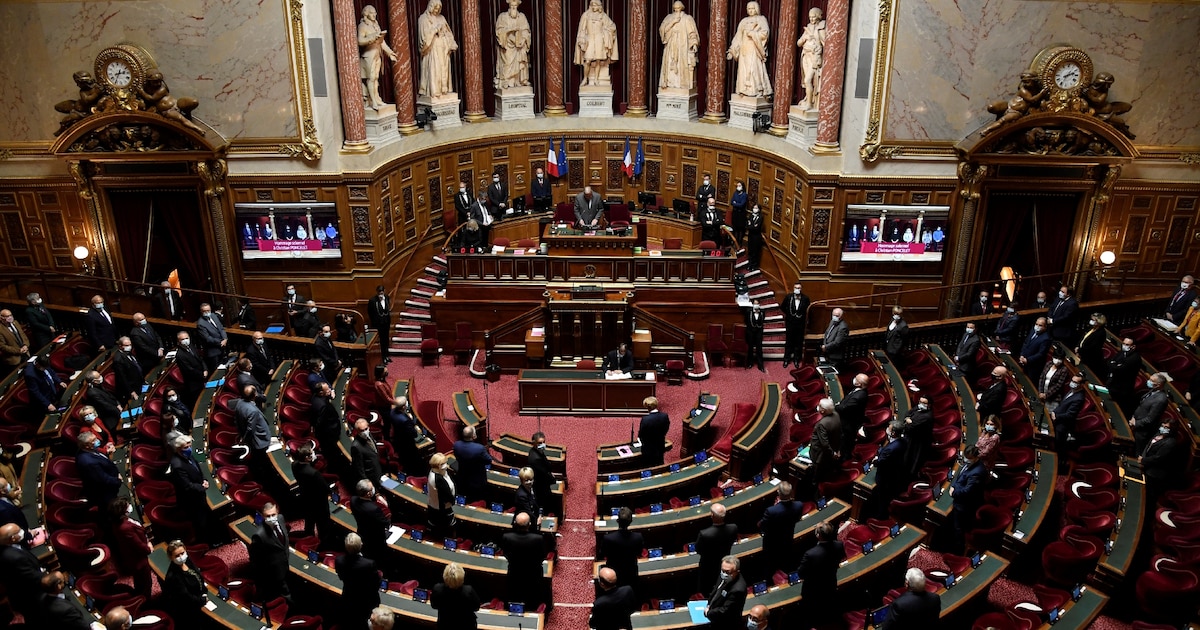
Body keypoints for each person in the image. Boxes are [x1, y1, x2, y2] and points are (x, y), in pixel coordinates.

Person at [796, 521, 845, 625]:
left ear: (818, 535)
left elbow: (801, 573)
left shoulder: (810, 554)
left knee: (811, 615)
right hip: (830, 584)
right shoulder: (839, 545)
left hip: (812, 590)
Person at [105, 496, 151, 597]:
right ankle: (144, 602)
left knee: (140, 582)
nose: (130, 506)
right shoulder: (124, 528)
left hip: (132, 556)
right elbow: (138, 545)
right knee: (145, 583)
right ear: (122, 511)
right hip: (138, 561)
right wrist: (148, 547)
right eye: (127, 505)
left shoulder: (119, 521)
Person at [167, 433, 209, 544]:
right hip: (191, 501)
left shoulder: (188, 456)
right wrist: (201, 487)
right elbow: (187, 486)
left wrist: (203, 479)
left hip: (199, 494)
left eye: (189, 446)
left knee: (205, 519)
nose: (189, 449)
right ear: (178, 449)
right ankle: (204, 545)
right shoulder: (177, 466)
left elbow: (197, 469)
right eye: (186, 447)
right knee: (200, 523)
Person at [726, 1, 771, 98]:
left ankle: (756, 90)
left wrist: (753, 34)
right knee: (744, 70)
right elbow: (738, 37)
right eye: (749, 9)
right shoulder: (743, 21)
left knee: (753, 69)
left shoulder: (761, 20)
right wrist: (732, 49)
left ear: (757, 9)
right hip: (744, 49)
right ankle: (743, 90)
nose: (751, 10)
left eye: (753, 8)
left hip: (754, 48)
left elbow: (765, 34)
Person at [335, 532, 381, 629]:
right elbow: (376, 584)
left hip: (348, 597)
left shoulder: (339, 560)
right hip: (366, 601)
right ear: (361, 545)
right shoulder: (369, 564)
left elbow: (341, 577)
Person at [1141, 418, 1189, 507]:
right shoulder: (1159, 434)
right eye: (1162, 425)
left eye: (1166, 427)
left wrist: (1143, 460)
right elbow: (1148, 445)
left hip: (1155, 473)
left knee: (1149, 496)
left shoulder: (1170, 443)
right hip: (1147, 464)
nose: (1163, 428)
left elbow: (1158, 458)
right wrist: (1143, 457)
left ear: (1172, 430)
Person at [501, 512, 546, 607]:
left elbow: (505, 554)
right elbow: (542, 556)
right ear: (529, 524)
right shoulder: (538, 538)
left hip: (514, 572)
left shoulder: (507, 537)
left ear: (515, 523)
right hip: (533, 574)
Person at [250, 502, 291, 603]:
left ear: (277, 512)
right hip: (275, 572)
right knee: (286, 596)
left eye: (273, 515)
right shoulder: (259, 535)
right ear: (263, 516)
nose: (271, 518)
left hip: (286, 563)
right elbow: (256, 561)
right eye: (268, 516)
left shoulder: (281, 518)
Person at [758, 481, 804, 571]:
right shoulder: (799, 505)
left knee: (770, 565)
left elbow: (763, 526)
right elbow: (797, 518)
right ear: (791, 493)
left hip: (771, 543)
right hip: (788, 538)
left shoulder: (771, 511)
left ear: (778, 493)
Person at [948, 445, 986, 554]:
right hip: (959, 502)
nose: (966, 460)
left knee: (959, 529)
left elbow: (967, 491)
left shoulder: (977, 472)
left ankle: (957, 552)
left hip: (965, 506)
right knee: (954, 526)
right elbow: (960, 476)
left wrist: (954, 492)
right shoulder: (969, 464)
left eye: (968, 458)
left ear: (975, 457)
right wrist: (953, 485)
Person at [162, 539, 208, 630]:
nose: (181, 557)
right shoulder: (173, 576)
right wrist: (201, 600)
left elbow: (197, 574)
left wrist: (203, 590)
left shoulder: (187, 560)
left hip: (198, 596)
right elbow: (185, 596)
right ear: (171, 557)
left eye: (182, 553)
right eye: (177, 556)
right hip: (187, 610)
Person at [358, 4, 397, 110]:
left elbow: (382, 42)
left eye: (375, 12)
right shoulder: (363, 26)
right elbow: (360, 40)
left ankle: (377, 98)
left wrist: (389, 53)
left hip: (377, 54)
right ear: (366, 14)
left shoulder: (376, 24)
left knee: (375, 78)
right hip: (368, 55)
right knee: (370, 78)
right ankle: (373, 101)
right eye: (372, 13)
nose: (375, 14)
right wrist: (372, 38)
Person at [418, 0, 459, 98]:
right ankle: (435, 91)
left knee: (444, 68)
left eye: (438, 8)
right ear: (431, 6)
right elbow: (424, 38)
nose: (437, 10)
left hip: (444, 48)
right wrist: (435, 30)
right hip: (433, 48)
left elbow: (448, 32)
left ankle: (444, 89)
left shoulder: (442, 18)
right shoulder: (424, 19)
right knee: (435, 68)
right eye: (435, 8)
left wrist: (451, 42)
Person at [291, 444, 331, 542]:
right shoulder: (314, 473)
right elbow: (325, 488)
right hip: (319, 502)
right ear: (307, 458)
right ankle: (324, 542)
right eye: (311, 454)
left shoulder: (294, 465)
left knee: (309, 520)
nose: (313, 455)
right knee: (322, 524)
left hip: (305, 497)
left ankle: (309, 538)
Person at [694, 503, 738, 593]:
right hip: (724, 562)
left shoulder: (704, 534)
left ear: (712, 515)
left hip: (707, 567)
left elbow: (698, 550)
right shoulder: (733, 528)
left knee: (706, 590)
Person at [870, 420, 910, 518]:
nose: (887, 429)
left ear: (893, 433)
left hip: (885, 477)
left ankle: (879, 518)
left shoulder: (891, 449)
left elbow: (880, 462)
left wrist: (875, 460)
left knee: (882, 499)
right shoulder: (904, 441)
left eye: (889, 428)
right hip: (895, 473)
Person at [574, 0, 618, 88]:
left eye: (595, 5)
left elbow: (612, 26)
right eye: (592, 5)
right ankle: (585, 78)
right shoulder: (586, 15)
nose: (594, 7)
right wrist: (582, 37)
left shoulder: (603, 16)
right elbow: (581, 29)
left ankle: (596, 79)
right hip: (589, 40)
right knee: (588, 60)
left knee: (598, 60)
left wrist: (605, 33)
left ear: (599, 6)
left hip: (599, 40)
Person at [600, 507, 645, 592]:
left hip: (613, 574)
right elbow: (639, 553)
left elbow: (603, 553)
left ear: (617, 521)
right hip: (631, 573)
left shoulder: (608, 538)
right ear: (631, 522)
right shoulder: (638, 537)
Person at [658, 1, 699, 91]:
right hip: (670, 46)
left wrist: (694, 44)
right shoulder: (669, 18)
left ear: (681, 8)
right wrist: (673, 22)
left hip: (682, 47)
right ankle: (669, 83)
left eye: (678, 9)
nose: (677, 11)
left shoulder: (687, 18)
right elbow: (662, 29)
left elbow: (692, 33)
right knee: (670, 65)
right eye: (675, 9)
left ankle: (680, 84)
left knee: (681, 65)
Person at [235, 385, 273, 482]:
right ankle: (266, 478)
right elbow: (250, 429)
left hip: (252, 439)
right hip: (259, 440)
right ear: (255, 395)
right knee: (263, 462)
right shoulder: (252, 411)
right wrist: (245, 439)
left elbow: (238, 421)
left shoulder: (239, 403)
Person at [76, 431, 121, 508]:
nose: (97, 441)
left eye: (95, 438)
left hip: (111, 479)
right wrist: (118, 480)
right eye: (93, 440)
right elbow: (103, 479)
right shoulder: (88, 462)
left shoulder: (89, 450)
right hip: (105, 491)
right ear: (86, 446)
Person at [350, 479, 391, 563]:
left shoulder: (353, 500)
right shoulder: (373, 508)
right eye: (372, 488)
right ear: (368, 493)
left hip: (362, 533)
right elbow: (385, 522)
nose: (374, 489)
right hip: (376, 539)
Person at [432, 562, 481, 629]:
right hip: (466, 626)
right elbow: (476, 607)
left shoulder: (437, 589)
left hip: (444, 625)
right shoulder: (468, 591)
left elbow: (434, 605)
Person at [810, 398, 842, 499]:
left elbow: (824, 444)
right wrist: (837, 451)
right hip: (834, 449)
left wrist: (832, 453)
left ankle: (814, 495)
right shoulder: (836, 415)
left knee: (816, 476)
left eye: (819, 406)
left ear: (823, 410)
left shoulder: (822, 424)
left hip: (820, 455)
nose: (818, 407)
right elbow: (839, 434)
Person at [495, 0, 531, 90]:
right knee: (508, 62)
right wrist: (509, 30)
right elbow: (499, 31)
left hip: (519, 46)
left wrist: (523, 40)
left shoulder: (522, 17)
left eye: (515, 7)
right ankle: (507, 80)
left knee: (520, 63)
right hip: (508, 45)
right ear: (509, 6)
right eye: (512, 7)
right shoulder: (503, 17)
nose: (513, 8)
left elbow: (526, 30)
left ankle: (519, 81)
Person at [704, 555, 748, 629]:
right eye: (722, 570)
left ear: (737, 572)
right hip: (714, 612)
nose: (724, 574)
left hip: (725, 624)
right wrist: (709, 604)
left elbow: (725, 611)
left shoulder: (738, 590)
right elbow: (716, 590)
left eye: (727, 572)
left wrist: (708, 612)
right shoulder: (725, 575)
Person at [1130, 372, 1170, 454]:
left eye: (1151, 380)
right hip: (1136, 424)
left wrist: (1136, 423)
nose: (1148, 381)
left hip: (1143, 431)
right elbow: (1142, 407)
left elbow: (1150, 418)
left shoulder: (1161, 400)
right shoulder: (1153, 391)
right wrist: (1134, 417)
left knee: (1137, 451)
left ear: (1158, 384)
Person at [796, 7, 826, 109]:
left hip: (814, 58)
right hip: (806, 56)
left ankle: (809, 103)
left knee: (808, 80)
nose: (812, 19)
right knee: (806, 80)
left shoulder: (821, 28)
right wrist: (805, 38)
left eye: (813, 17)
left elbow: (826, 44)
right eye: (810, 17)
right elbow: (798, 43)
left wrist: (818, 48)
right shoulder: (808, 28)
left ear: (818, 16)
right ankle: (808, 99)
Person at [452, 425, 491, 503]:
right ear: (474, 436)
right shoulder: (479, 448)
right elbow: (488, 460)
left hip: (462, 477)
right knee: (477, 499)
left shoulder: (456, 445)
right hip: (477, 480)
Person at [590, 566, 635, 630]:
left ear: (602, 584)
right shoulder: (628, 590)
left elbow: (593, 624)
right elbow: (632, 608)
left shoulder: (599, 603)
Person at [836, 373, 869, 458]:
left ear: (859, 384)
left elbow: (844, 409)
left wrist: (835, 406)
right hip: (849, 421)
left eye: (856, 379)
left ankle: (843, 458)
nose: (854, 379)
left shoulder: (859, 396)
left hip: (848, 424)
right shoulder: (858, 390)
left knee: (845, 442)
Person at [1107, 337, 1142, 414]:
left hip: (1122, 388)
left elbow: (1120, 370)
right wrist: (1115, 365)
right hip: (1114, 383)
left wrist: (1114, 365)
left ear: (1133, 346)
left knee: (1119, 408)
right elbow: (1110, 362)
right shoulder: (1122, 352)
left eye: (1127, 344)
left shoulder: (1134, 358)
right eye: (1123, 343)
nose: (1124, 346)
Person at [1051, 375, 1085, 454]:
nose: (1072, 383)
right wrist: (1054, 411)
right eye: (1072, 381)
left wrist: (1056, 416)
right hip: (1057, 417)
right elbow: (1062, 404)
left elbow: (1070, 415)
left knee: (1058, 445)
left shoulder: (1079, 398)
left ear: (1081, 385)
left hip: (1063, 424)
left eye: (1075, 382)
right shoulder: (1072, 390)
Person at [388, 395, 421, 473]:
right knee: (411, 458)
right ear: (403, 407)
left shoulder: (392, 412)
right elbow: (413, 434)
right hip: (407, 442)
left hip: (397, 437)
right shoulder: (405, 420)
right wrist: (411, 421)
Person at [174, 331, 207, 409]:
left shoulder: (191, 346)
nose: (185, 340)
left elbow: (200, 359)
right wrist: (202, 375)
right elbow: (190, 370)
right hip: (193, 384)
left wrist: (205, 369)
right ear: (178, 342)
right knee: (198, 403)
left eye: (187, 338)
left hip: (201, 377)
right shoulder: (180, 355)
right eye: (183, 339)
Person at [781, 282, 810, 368]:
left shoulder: (805, 298)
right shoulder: (788, 297)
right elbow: (782, 307)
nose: (797, 289)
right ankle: (786, 359)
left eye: (799, 288)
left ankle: (796, 360)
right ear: (793, 288)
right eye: (796, 287)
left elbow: (808, 311)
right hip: (790, 323)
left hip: (800, 324)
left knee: (798, 342)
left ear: (801, 289)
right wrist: (789, 314)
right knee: (789, 342)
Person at [310, 381, 342, 459]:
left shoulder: (315, 396)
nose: (330, 390)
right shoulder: (322, 406)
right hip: (329, 434)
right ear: (321, 393)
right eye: (327, 390)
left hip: (326, 430)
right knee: (333, 453)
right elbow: (321, 423)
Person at [427, 452, 457, 536]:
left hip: (434, 505)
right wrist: (452, 501)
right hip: (442, 509)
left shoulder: (435, 471)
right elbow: (446, 495)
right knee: (448, 527)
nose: (446, 465)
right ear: (438, 465)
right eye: (443, 463)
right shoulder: (438, 479)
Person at [528, 432, 556, 515]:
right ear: (533, 443)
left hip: (541, 482)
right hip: (540, 485)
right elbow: (544, 472)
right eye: (540, 443)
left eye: (544, 442)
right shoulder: (535, 459)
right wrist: (553, 479)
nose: (543, 444)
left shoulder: (535, 451)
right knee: (544, 502)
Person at [196, 303, 228, 374]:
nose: (207, 312)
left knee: (225, 368)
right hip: (213, 352)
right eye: (205, 311)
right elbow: (207, 338)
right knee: (217, 372)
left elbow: (221, 328)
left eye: (208, 310)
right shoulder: (200, 324)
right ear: (201, 312)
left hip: (222, 348)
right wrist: (221, 342)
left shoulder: (213, 315)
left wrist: (225, 338)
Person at [638, 397, 670, 466]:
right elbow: (666, 428)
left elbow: (641, 434)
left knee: (649, 465)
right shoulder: (664, 416)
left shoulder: (645, 419)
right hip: (660, 444)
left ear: (648, 407)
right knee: (660, 462)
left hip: (648, 448)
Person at [351, 418, 384, 486]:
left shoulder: (369, 435)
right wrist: (368, 483)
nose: (365, 432)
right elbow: (359, 469)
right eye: (362, 430)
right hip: (371, 477)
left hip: (378, 470)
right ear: (357, 431)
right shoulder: (356, 447)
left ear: (368, 426)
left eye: (366, 429)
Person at [368, 285, 393, 364]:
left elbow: (387, 309)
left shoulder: (387, 297)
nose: (381, 294)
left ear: (384, 291)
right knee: (381, 341)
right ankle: (383, 357)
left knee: (386, 340)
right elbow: (370, 312)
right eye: (379, 293)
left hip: (386, 323)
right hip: (378, 324)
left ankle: (387, 355)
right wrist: (375, 322)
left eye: (382, 292)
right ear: (377, 292)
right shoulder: (372, 301)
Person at [746, 299, 766, 371]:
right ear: (752, 304)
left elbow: (762, 321)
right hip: (750, 332)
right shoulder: (749, 312)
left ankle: (760, 365)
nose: (756, 305)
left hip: (759, 332)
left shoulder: (762, 312)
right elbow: (746, 321)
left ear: (759, 304)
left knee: (759, 348)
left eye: (757, 303)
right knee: (750, 348)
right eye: (755, 303)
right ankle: (750, 363)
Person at [745, 203, 764, 269]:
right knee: (750, 250)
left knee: (755, 252)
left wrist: (751, 226)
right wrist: (752, 226)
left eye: (756, 208)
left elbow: (757, 227)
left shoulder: (761, 217)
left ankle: (754, 265)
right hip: (751, 236)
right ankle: (750, 264)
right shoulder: (751, 216)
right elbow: (747, 226)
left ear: (759, 209)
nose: (754, 209)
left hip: (757, 237)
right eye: (754, 208)